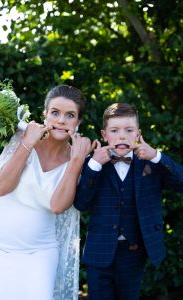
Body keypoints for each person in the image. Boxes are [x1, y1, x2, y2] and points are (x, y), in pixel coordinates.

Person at [0, 84, 93, 300]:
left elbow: (58, 206)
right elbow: (2, 188)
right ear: (45, 115)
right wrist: (27, 143)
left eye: (69, 115)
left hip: (40, 253)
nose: (61, 120)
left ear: (78, 122)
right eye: (55, 113)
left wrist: (77, 160)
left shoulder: (78, 158)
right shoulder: (21, 140)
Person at [74, 102, 183, 300]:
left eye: (129, 130)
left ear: (138, 134)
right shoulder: (93, 162)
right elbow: (81, 203)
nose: (122, 136)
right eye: (114, 130)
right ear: (104, 135)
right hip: (99, 251)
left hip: (134, 252)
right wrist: (94, 165)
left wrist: (158, 156)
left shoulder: (150, 161)